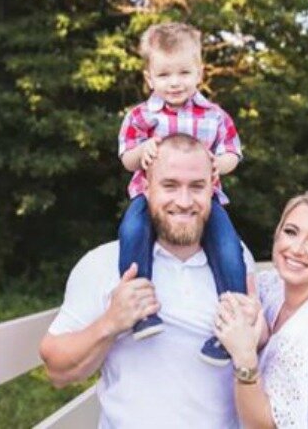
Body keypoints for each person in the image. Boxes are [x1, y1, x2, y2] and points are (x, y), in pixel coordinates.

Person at [39, 135, 255, 428]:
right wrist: (111, 322)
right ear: (146, 188)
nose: (184, 201)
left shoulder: (238, 263)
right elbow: (57, 370)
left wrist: (255, 333)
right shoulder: (103, 263)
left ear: (212, 190)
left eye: (197, 187)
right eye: (170, 185)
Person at [117, 21, 245, 365]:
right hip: (149, 196)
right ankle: (141, 309)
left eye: (184, 72)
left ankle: (233, 323)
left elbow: (234, 152)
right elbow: (127, 158)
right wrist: (141, 152)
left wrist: (220, 163)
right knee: (132, 230)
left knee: (229, 247)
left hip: (205, 198)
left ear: (199, 72)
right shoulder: (141, 116)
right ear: (149, 78)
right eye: (165, 74)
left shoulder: (214, 116)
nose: (175, 82)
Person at [213, 191, 308, 428]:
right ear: (277, 234)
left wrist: (244, 357)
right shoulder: (273, 286)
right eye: (291, 232)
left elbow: (266, 425)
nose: (297, 249)